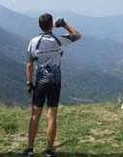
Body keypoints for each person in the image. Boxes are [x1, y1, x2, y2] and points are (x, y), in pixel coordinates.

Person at [24, 14, 82, 157]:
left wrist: (29, 82)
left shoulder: (33, 41)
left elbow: (30, 64)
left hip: (40, 82)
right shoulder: (59, 40)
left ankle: (30, 149)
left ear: (39, 25)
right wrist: (64, 24)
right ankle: (49, 151)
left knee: (35, 116)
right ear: (51, 24)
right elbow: (77, 35)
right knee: (52, 116)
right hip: (55, 82)